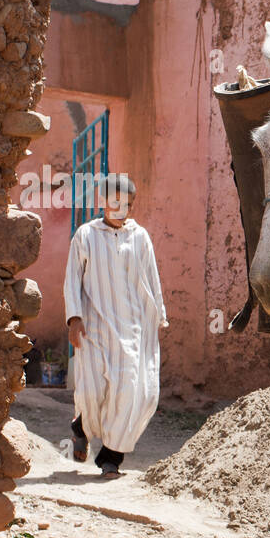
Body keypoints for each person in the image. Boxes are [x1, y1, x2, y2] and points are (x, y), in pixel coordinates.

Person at [64, 175, 168, 479]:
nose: (121, 210)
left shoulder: (140, 237)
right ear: (102, 202)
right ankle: (81, 426)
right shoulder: (85, 235)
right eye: (115, 203)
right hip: (94, 326)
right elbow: (72, 280)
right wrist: (74, 318)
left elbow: (152, 277)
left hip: (133, 328)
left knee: (135, 391)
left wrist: (158, 314)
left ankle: (111, 458)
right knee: (93, 390)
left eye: (128, 204)